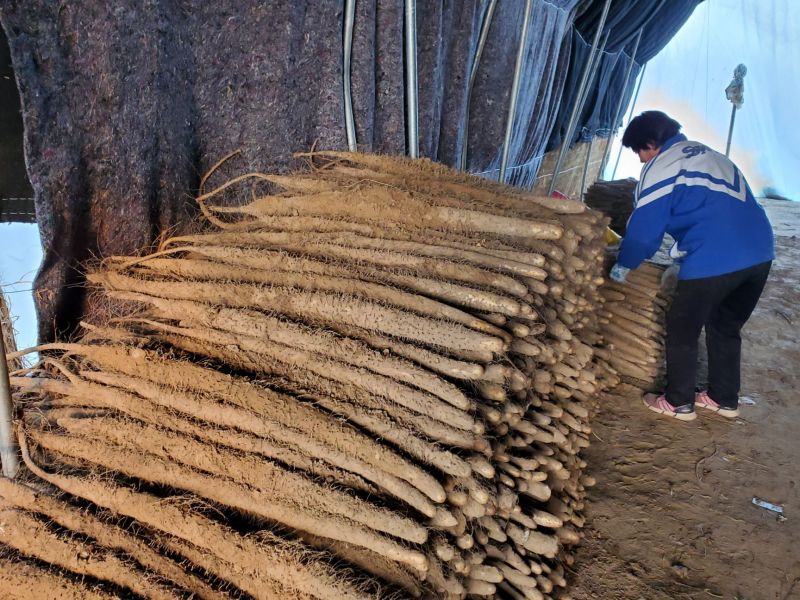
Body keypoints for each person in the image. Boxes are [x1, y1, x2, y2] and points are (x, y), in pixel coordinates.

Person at [609, 110, 774, 422]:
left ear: (651, 143)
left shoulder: (663, 165)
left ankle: (678, 402)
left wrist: (624, 263)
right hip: (761, 252)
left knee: (682, 329)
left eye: (640, 152)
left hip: (715, 255)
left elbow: (645, 232)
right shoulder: (711, 155)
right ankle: (723, 399)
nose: (641, 160)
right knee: (725, 326)